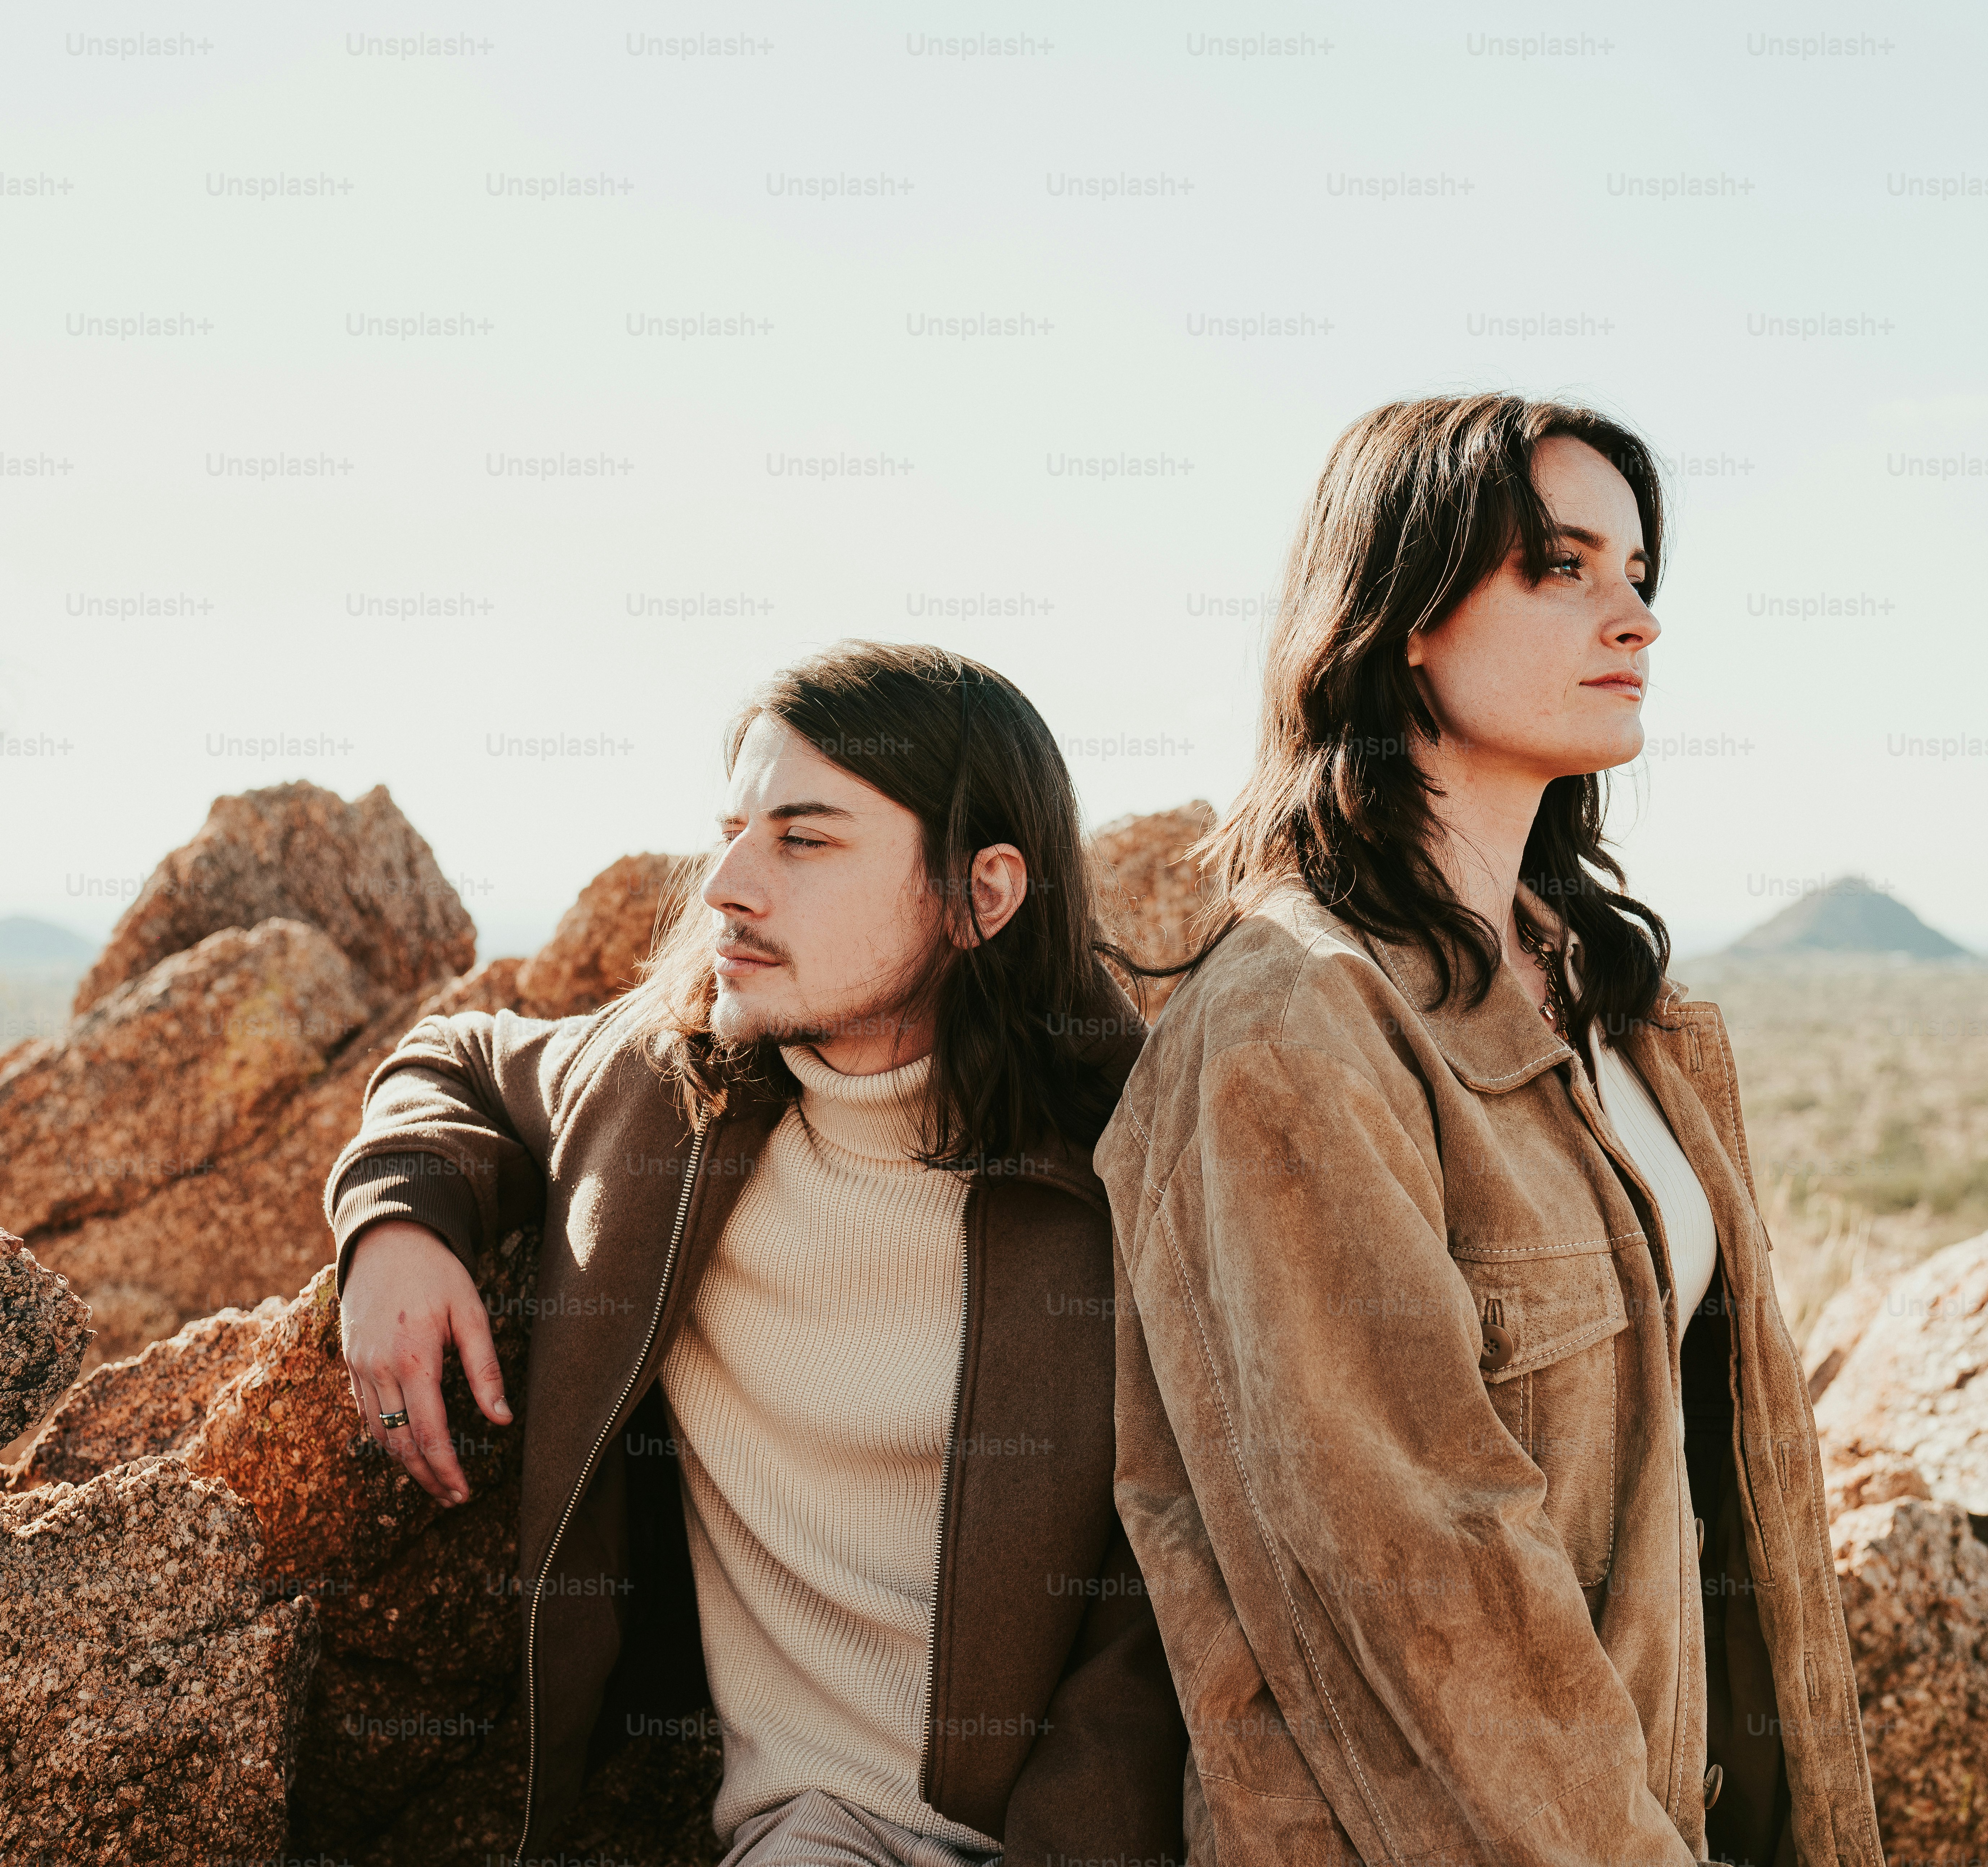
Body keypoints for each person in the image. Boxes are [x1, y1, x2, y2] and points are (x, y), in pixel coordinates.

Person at [1096, 396, 1884, 1866]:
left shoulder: (1632, 1008)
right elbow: (1417, 1568)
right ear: (1402, 616)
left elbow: (1726, 1518)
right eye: (1562, 568)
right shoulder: (1296, 1021)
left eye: (1641, 575)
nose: (1633, 618)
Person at [330, 642, 1186, 1867]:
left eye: (805, 839)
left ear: (982, 896)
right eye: (732, 829)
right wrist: (399, 1226)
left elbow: (1188, 1589)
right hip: (824, 1829)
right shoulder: (661, 1099)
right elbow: (456, 1060)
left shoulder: (1136, 1159)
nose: (726, 885)